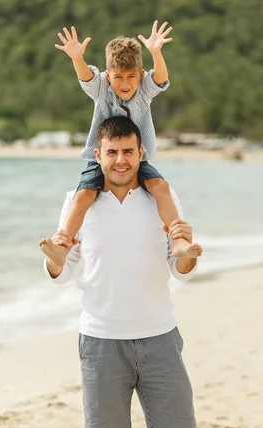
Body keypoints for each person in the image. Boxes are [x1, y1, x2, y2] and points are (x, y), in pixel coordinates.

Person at [41, 117, 221, 428]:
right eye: (111, 152)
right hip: (100, 340)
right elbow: (65, 262)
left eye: (127, 152)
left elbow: (178, 264)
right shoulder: (79, 202)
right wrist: (55, 260)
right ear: (96, 156)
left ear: (141, 154)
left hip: (160, 335)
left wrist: (187, 258)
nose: (120, 161)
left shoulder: (160, 196)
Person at [39, 21, 202, 267]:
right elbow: (86, 77)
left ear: (141, 74)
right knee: (83, 195)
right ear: (107, 75)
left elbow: (161, 77)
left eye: (131, 77)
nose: (125, 84)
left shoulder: (145, 89)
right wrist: (77, 58)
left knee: (160, 186)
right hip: (100, 160)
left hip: (138, 157)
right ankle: (62, 247)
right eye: (118, 77)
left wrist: (156, 52)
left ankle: (178, 242)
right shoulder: (102, 88)